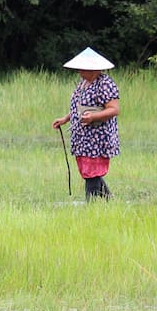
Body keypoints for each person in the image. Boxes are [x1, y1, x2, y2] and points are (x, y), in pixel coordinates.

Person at [52, 47, 120, 200]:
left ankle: (90, 206)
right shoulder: (83, 83)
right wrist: (65, 119)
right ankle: (110, 200)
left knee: (92, 173)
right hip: (83, 138)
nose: (80, 72)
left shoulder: (105, 84)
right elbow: (79, 107)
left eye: (83, 69)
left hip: (97, 138)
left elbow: (114, 109)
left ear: (93, 69)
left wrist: (93, 117)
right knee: (89, 172)